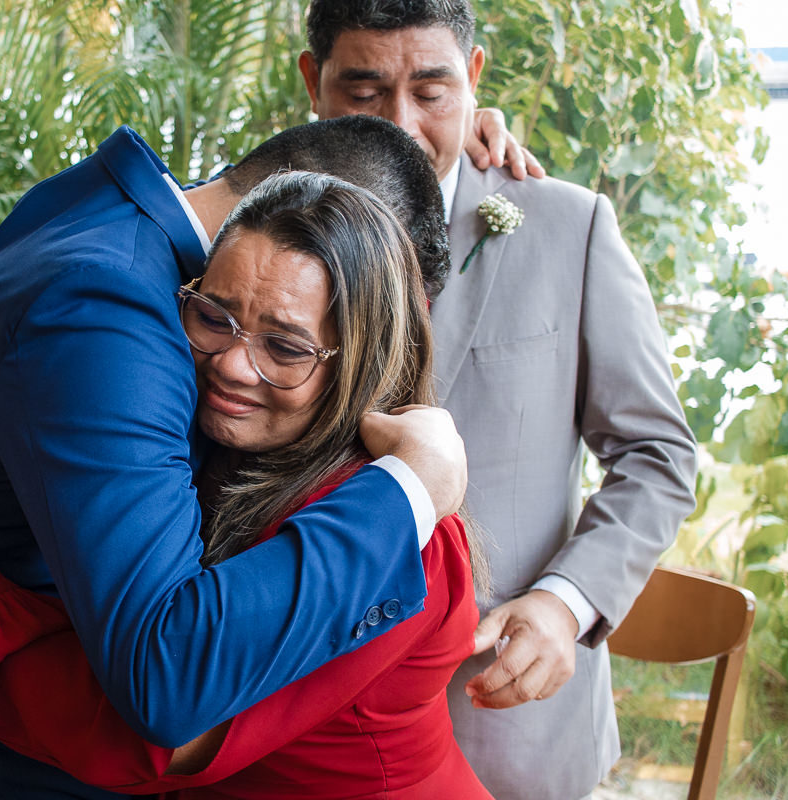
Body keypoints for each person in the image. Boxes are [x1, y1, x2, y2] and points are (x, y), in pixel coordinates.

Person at [0, 116, 472, 800]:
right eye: (215, 316)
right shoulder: (116, 305)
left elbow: (157, 729)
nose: (236, 365)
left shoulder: (397, 528)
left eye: (286, 344)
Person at [296, 2, 699, 797]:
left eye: (433, 90)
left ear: (475, 79)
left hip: (502, 717)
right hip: (298, 723)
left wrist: (564, 604)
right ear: (314, 83)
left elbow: (659, 456)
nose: (401, 125)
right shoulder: (259, 228)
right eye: (365, 91)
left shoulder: (568, 228)